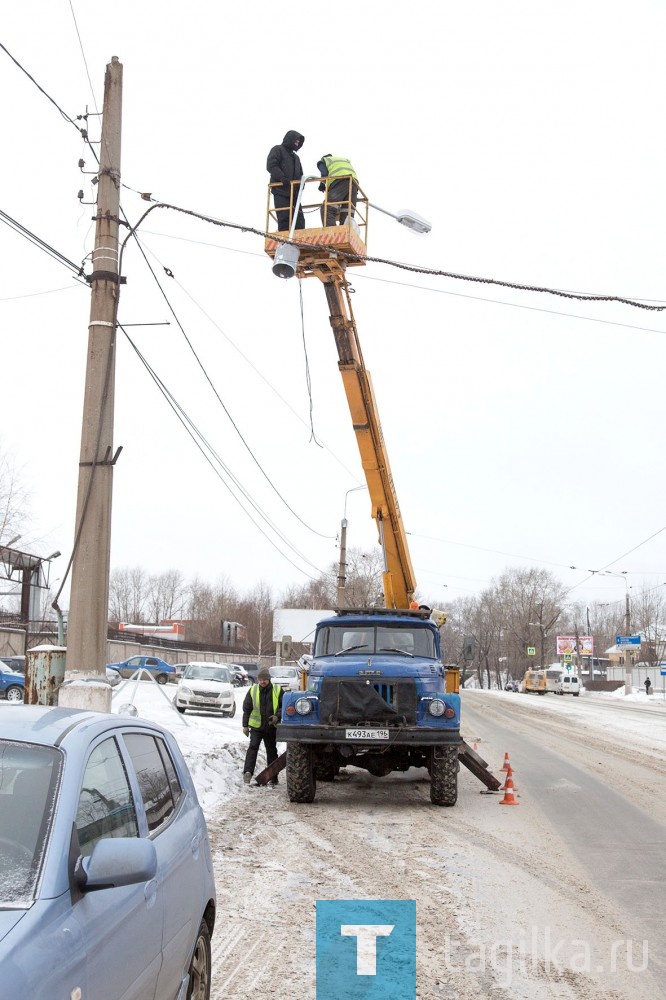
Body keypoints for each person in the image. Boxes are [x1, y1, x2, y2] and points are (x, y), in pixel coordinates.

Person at [242, 665, 284, 785]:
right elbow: (247, 708)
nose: (262, 682)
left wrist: (277, 716)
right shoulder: (253, 690)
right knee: (253, 748)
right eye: (260, 680)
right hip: (256, 727)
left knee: (271, 751)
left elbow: (283, 706)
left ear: (269, 679)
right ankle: (247, 772)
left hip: (271, 727)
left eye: (264, 680)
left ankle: (273, 776)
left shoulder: (277, 690)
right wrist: (245, 725)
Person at [267, 130, 305, 232]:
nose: (297, 143)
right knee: (284, 219)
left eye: (299, 141)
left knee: (300, 222)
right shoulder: (277, 150)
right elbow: (271, 165)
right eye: (296, 140)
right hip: (281, 191)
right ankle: (284, 244)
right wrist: (282, 177)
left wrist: (302, 183)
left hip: (295, 195)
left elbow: (301, 174)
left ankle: (299, 245)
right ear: (290, 139)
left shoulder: (296, 158)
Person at [317, 154, 359, 226]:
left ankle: (332, 234)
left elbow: (324, 174)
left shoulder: (323, 161)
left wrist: (322, 184)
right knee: (347, 213)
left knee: (327, 209)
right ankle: (346, 234)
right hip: (354, 183)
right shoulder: (343, 160)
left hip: (341, 181)